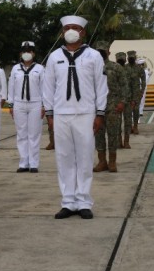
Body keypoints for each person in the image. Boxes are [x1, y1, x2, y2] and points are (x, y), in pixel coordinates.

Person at [43, 15, 107, 219]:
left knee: (85, 158)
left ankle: (84, 201)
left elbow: (101, 86)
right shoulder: (54, 57)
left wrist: (100, 113)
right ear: (62, 32)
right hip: (61, 114)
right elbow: (48, 87)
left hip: (86, 113)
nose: (71, 31)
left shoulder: (94, 56)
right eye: (67, 28)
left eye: (75, 28)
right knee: (64, 158)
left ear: (83, 32)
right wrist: (50, 114)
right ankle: (68, 201)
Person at [7, 41, 45, 173]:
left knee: (34, 134)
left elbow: (44, 88)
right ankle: (24, 162)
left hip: (35, 103)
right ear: (20, 53)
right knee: (22, 134)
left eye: (29, 51)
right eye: (24, 51)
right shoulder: (15, 68)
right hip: (19, 104)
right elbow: (11, 87)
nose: (26, 54)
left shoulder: (40, 69)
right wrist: (11, 104)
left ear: (34, 53)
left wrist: (44, 105)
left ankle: (34, 163)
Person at [93, 41, 127, 173]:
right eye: (99, 51)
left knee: (113, 134)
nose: (101, 53)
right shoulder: (92, 67)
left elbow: (124, 85)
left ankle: (112, 162)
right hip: (96, 107)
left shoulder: (116, 67)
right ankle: (102, 162)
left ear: (109, 52)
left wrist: (122, 102)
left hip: (113, 105)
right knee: (98, 135)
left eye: (103, 50)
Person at [115, 51, 134, 148]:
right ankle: (119, 141)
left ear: (125, 59)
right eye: (119, 58)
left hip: (128, 99)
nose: (121, 60)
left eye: (122, 58)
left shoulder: (129, 70)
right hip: (116, 101)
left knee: (127, 122)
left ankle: (126, 141)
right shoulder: (113, 69)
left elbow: (133, 85)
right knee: (117, 123)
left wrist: (134, 99)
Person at [128, 50, 146, 134]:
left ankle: (135, 126)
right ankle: (129, 126)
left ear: (135, 58)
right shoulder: (124, 67)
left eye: (132, 58)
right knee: (127, 111)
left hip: (136, 92)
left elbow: (143, 80)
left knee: (135, 110)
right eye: (130, 58)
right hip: (126, 92)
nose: (131, 59)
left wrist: (142, 91)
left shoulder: (139, 68)